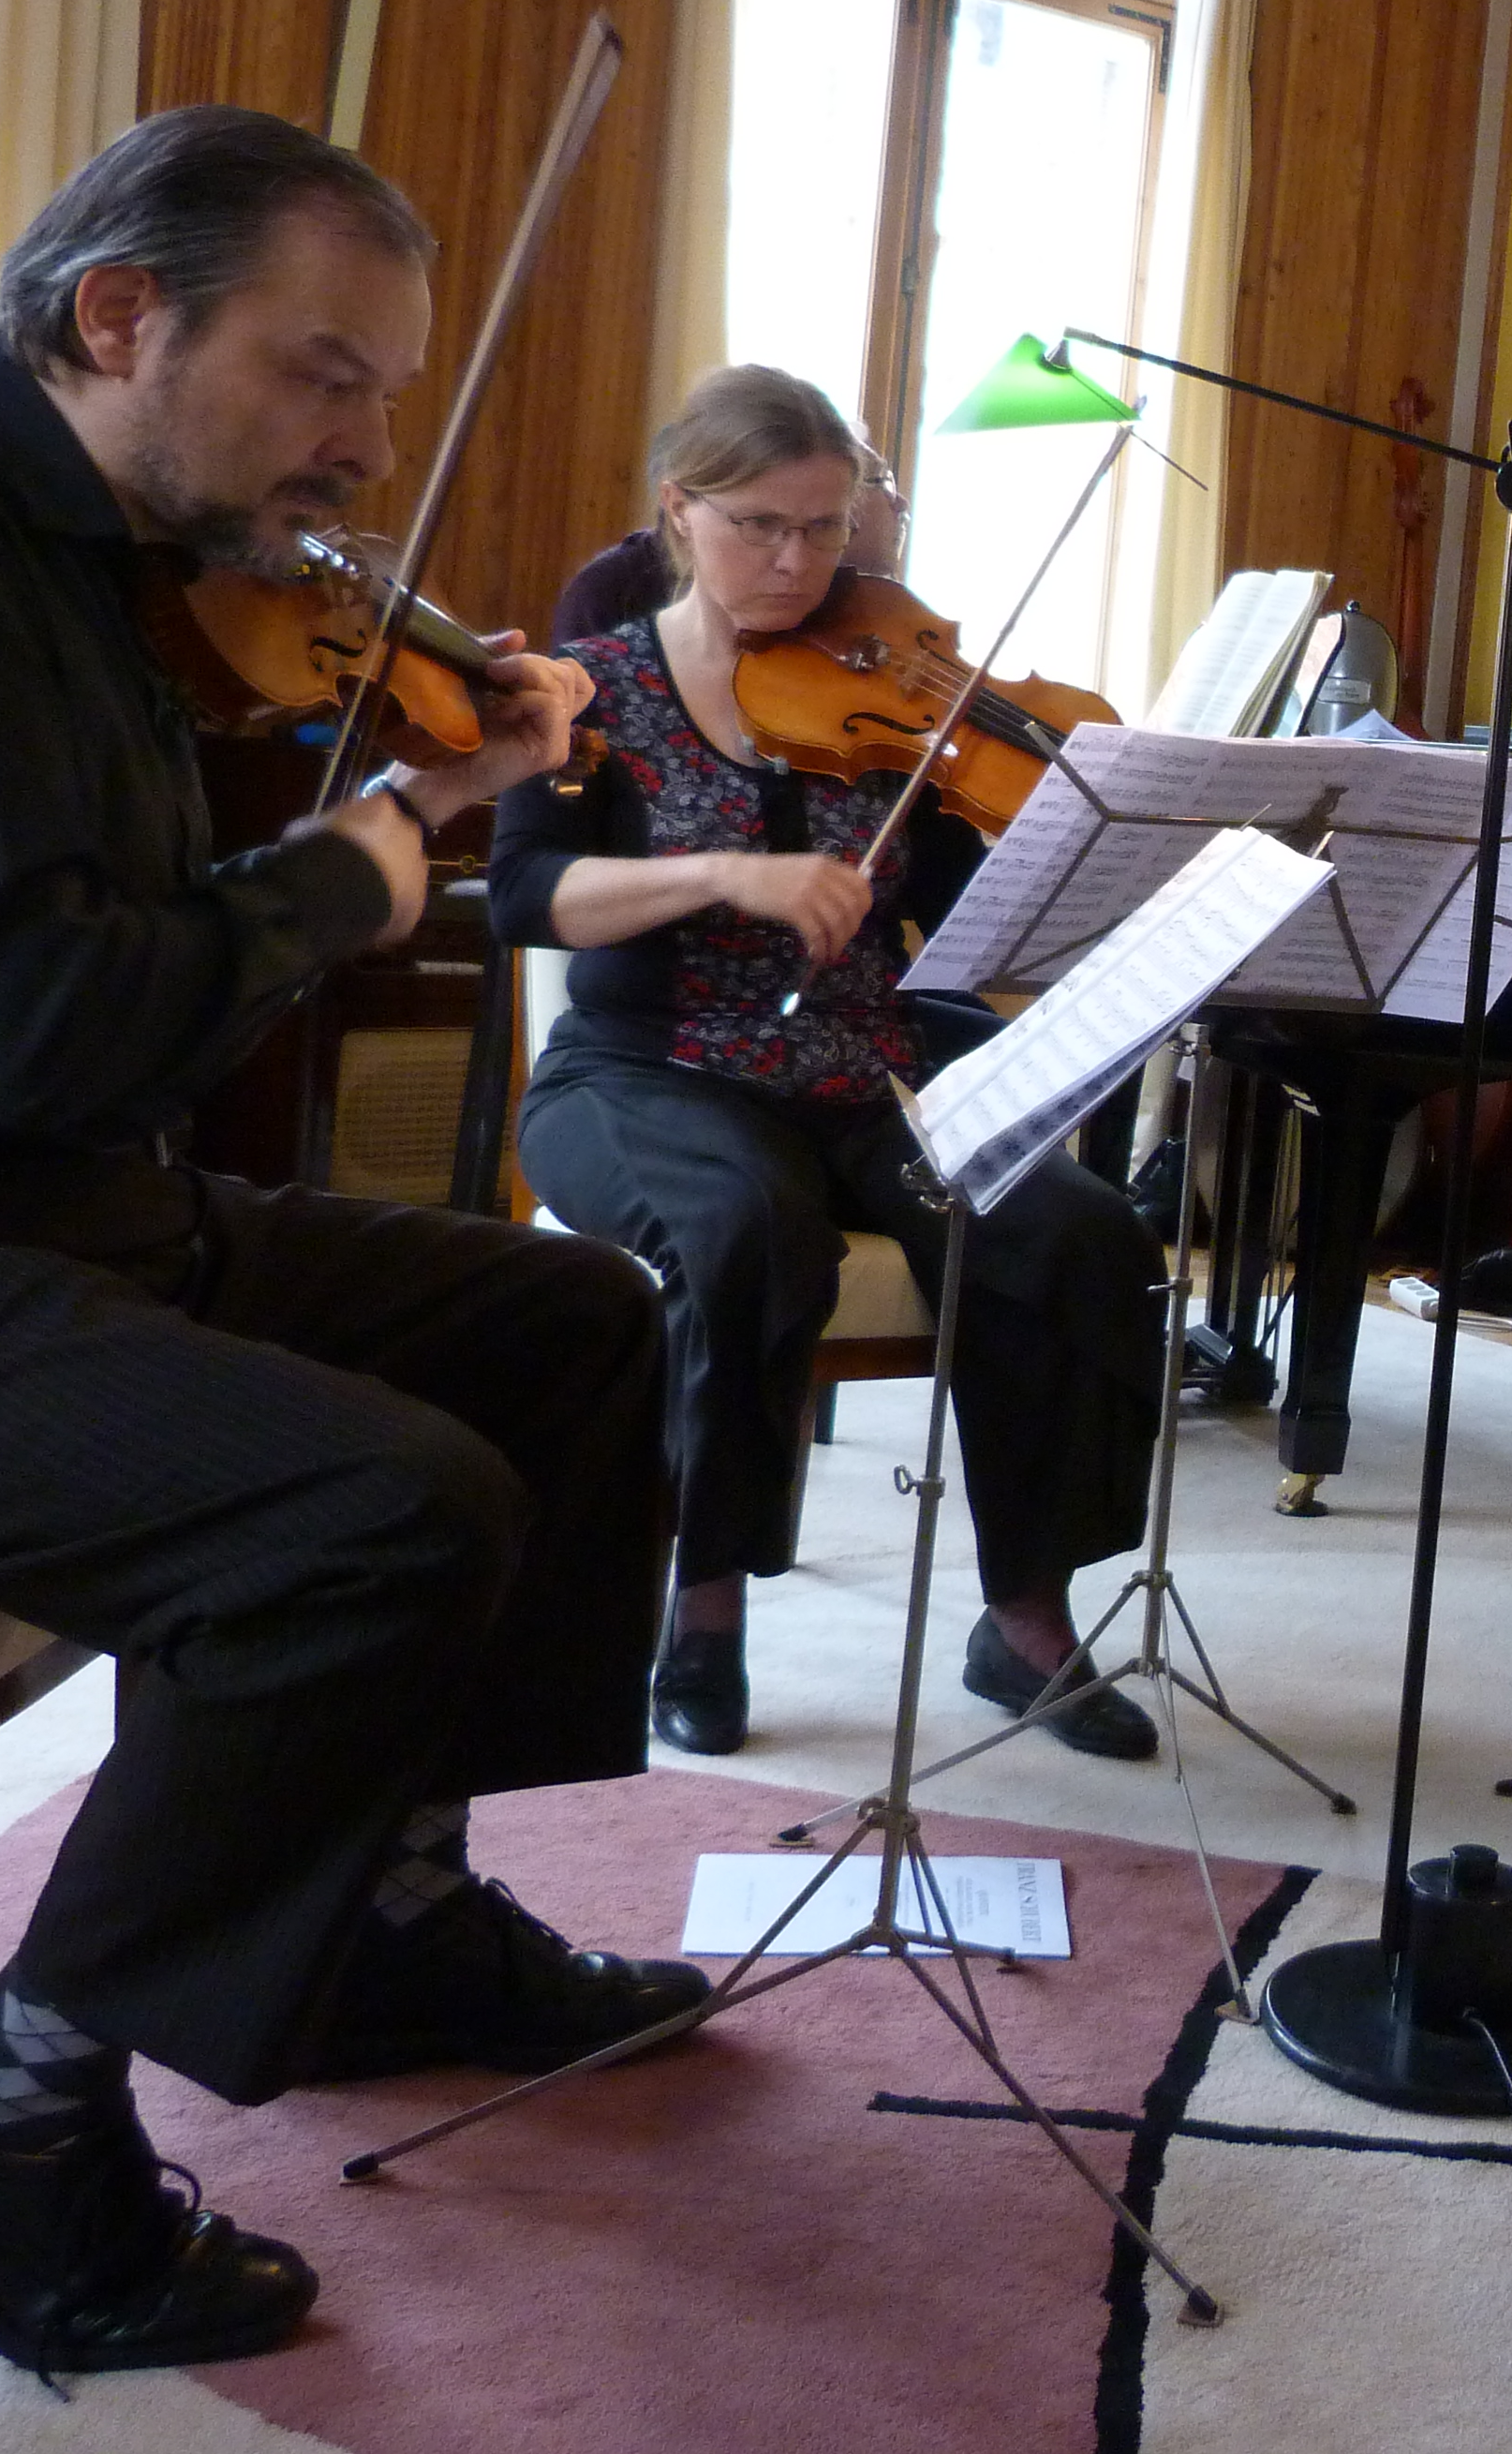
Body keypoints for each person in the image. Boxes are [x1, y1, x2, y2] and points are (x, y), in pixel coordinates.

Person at [0, 108, 707, 2376]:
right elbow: (42, 1019)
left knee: (566, 1324)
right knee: (374, 1517)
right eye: (325, 373)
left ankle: (386, 1922)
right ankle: (7, 2100)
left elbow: (112, 975)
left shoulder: (89, 560)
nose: (366, 450)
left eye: (385, 395)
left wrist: (429, 799)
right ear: (120, 314)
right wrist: (356, 867)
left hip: (22, 1211)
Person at [492, 367, 1164, 1761]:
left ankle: (1027, 1619)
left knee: (1074, 1233)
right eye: (762, 526)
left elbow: (977, 910)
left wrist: (1078, 843)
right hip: (645, 1070)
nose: (799, 562)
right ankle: (703, 1609)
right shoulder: (593, 688)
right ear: (680, 510)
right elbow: (527, 895)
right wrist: (722, 872)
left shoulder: (889, 693)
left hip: (861, 1078)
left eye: (826, 527)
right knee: (744, 1228)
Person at [550, 424, 902, 642]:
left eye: (824, 524)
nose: (899, 503)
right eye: (762, 522)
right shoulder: (610, 592)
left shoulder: (870, 606)